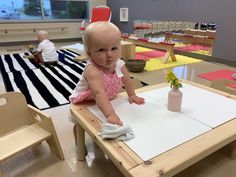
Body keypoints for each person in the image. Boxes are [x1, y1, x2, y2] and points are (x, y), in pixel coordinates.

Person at [69, 21, 145, 143]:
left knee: (103, 119)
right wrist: (110, 115)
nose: (109, 55)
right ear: (89, 53)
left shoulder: (119, 63)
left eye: (114, 48)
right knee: (80, 123)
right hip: (84, 101)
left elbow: (126, 79)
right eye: (101, 50)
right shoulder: (92, 70)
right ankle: (79, 143)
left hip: (105, 98)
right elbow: (98, 93)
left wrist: (132, 95)